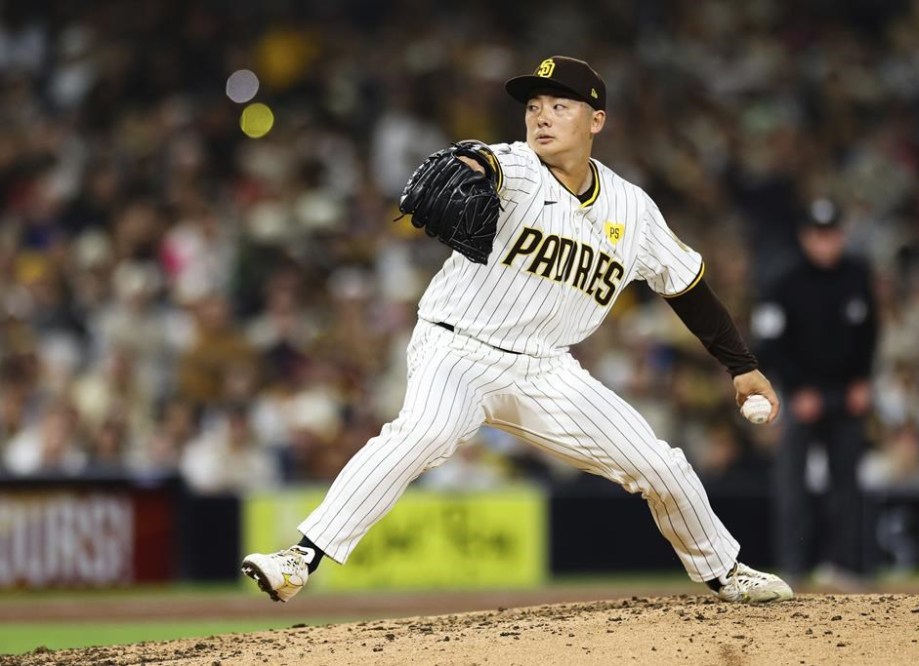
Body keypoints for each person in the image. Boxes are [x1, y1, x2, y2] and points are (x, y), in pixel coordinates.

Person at [242, 56, 793, 604]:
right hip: (456, 348)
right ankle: (300, 558)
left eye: (559, 105)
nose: (541, 117)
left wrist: (742, 366)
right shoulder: (519, 167)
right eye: (533, 107)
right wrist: (475, 166)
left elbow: (687, 287)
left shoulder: (633, 209)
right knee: (423, 434)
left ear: (596, 121)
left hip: (545, 367)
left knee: (658, 463)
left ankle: (726, 572)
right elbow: (484, 162)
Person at [752, 197, 878, 586]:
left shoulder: (858, 275)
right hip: (800, 396)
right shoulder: (784, 280)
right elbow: (769, 341)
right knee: (791, 485)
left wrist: (862, 380)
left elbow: (870, 333)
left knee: (847, 485)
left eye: (831, 235)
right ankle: (793, 566)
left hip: (846, 394)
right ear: (805, 237)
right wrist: (796, 388)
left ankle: (846, 566)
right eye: (818, 235)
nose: (825, 243)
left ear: (841, 235)